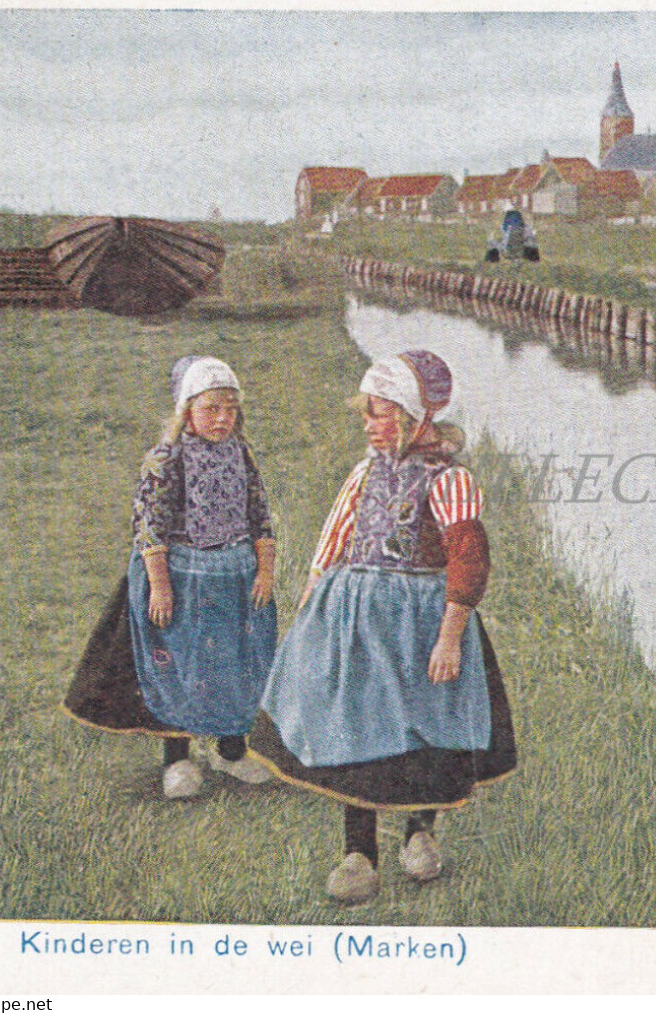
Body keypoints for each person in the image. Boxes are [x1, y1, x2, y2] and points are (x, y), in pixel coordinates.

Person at [248, 350, 517, 905]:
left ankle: (420, 832)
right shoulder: (365, 472)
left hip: (421, 620)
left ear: (413, 417)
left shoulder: (450, 480)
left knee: (426, 727)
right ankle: (359, 852)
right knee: (356, 729)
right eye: (366, 414)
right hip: (358, 621)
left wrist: (450, 634)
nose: (369, 425)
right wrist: (313, 595)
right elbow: (336, 534)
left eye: (379, 414)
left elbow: (469, 557)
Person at [64, 356, 278, 798]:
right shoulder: (167, 458)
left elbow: (260, 515)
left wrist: (266, 570)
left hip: (234, 576)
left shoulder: (240, 454)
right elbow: (149, 526)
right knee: (178, 663)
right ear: (187, 411)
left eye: (231, 409)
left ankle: (230, 750)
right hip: (181, 578)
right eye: (211, 408)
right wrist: (160, 585)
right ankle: (177, 759)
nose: (222, 418)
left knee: (234, 664)